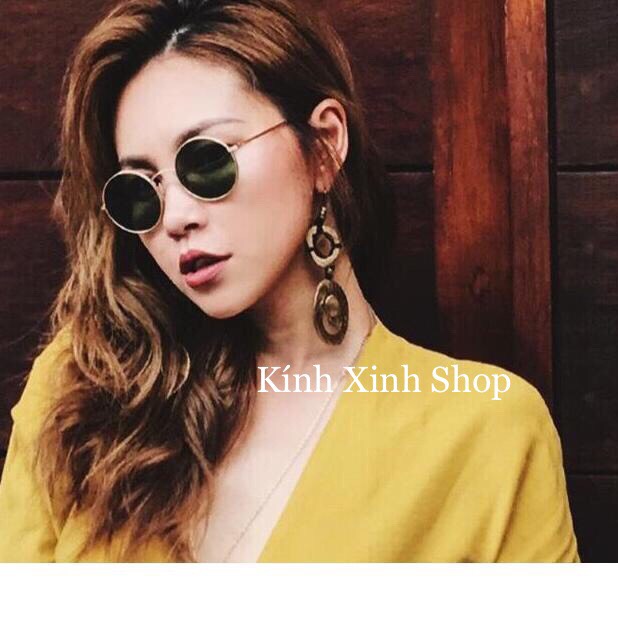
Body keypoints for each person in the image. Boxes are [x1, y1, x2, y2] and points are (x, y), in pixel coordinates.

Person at [0, 0, 580, 563]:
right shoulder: (84, 393)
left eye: (206, 161)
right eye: (140, 190)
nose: (174, 218)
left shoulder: (486, 432)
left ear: (324, 145)